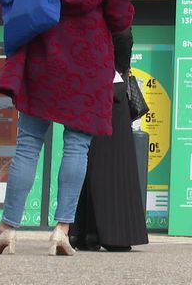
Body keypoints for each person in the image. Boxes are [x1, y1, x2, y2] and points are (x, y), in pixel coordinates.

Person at [0, 0, 138, 256]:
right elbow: (119, 20)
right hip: (88, 65)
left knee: (28, 145)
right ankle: (61, 231)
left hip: (41, 57)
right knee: (77, 146)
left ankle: (7, 229)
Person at [69, 28, 149, 252]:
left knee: (86, 155)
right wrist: (119, 68)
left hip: (86, 89)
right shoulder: (115, 9)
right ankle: (115, 234)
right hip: (111, 94)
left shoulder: (84, 12)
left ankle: (85, 232)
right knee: (114, 162)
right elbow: (124, 40)